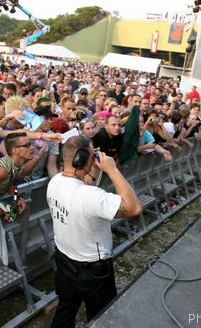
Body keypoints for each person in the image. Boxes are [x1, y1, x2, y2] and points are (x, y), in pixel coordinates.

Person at [47, 135, 142, 328]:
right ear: (82, 160)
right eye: (93, 154)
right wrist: (113, 171)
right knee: (103, 315)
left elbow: (83, 190)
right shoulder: (90, 196)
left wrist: (95, 168)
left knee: (66, 308)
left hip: (64, 258)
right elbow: (134, 208)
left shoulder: (55, 181)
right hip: (92, 268)